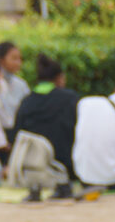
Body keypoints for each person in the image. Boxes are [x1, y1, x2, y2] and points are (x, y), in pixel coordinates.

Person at [9, 55, 80, 198]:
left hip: (31, 170)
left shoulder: (26, 102)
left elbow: (15, 136)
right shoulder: (70, 99)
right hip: (65, 170)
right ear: (60, 78)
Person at [0, 40, 29, 130]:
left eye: (20, 59)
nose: (19, 63)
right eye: (14, 58)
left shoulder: (21, 84)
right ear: (1, 60)